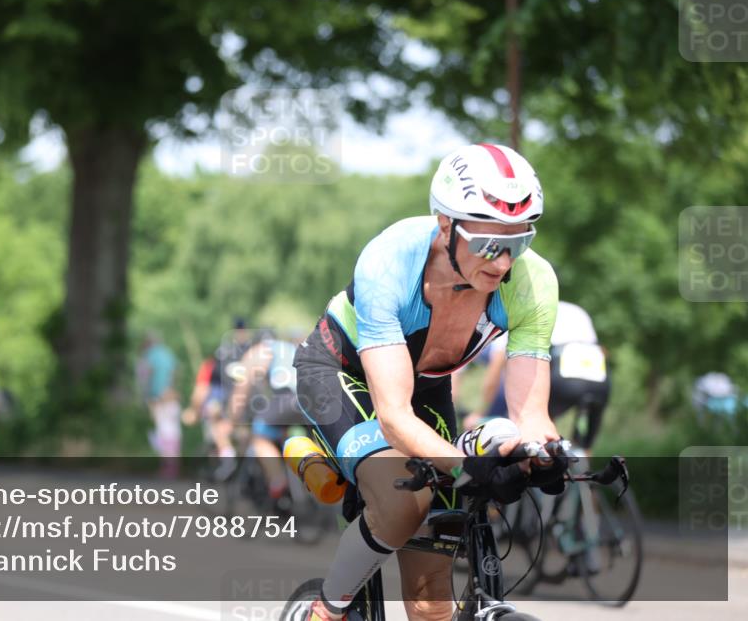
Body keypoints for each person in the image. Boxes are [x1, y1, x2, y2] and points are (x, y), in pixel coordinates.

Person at [286, 144, 564, 621]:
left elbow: (531, 415)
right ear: (444, 225)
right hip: (340, 373)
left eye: (518, 242)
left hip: (428, 386)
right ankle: (325, 610)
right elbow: (393, 413)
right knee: (402, 503)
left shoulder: (533, 282)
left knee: (431, 593)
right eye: (487, 243)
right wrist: (462, 466)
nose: (502, 263)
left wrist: (542, 456)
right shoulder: (389, 261)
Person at [463, 302, 610, 454]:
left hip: (563, 373)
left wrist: (480, 413)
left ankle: (540, 470)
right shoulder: (578, 311)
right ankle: (583, 473)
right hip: (600, 378)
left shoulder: (521, 311)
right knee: (584, 446)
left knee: (533, 429)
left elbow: (496, 369)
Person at [228, 329, 305, 501]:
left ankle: (278, 482)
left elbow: (242, 387)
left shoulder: (258, 351)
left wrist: (233, 419)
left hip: (288, 399)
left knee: (259, 437)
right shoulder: (290, 347)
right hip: (312, 399)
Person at [182, 318, 256, 479]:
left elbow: (202, 388)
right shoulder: (254, 352)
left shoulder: (220, 357)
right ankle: (246, 464)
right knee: (245, 434)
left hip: (232, 403)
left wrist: (194, 410)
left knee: (219, 430)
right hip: (252, 403)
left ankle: (229, 460)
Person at [137, 332, 181, 478]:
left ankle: (167, 467)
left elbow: (146, 376)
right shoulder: (168, 354)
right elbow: (174, 374)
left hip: (157, 399)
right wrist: (171, 390)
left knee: (163, 433)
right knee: (173, 432)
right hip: (171, 397)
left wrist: (145, 397)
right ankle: (173, 467)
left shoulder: (149, 356)